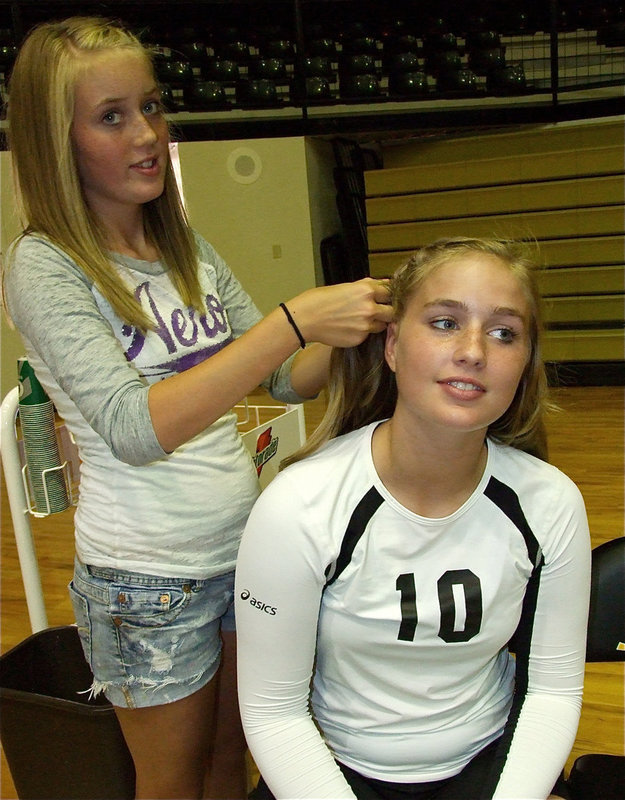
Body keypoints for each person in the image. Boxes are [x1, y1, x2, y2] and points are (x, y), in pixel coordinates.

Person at [1, 16, 393, 800]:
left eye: (150, 106)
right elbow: (134, 428)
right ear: (58, 140)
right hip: (146, 584)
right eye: (112, 116)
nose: (147, 133)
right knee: (173, 782)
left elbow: (285, 377)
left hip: (239, 554)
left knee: (229, 763)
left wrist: (360, 325)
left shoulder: (181, 244)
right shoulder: (43, 266)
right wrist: (293, 319)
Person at [235, 237, 592, 800]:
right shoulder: (298, 506)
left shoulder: (551, 504)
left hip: (487, 766)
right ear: (394, 345)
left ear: (525, 363)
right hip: (332, 773)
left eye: (504, 333)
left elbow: (551, 692)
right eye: (446, 322)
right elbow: (273, 712)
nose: (474, 351)